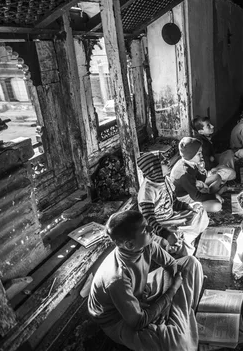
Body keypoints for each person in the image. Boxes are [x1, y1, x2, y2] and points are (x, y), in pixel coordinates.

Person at [87, 210, 203, 351]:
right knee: (177, 344)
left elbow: (171, 265)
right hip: (118, 320)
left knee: (191, 263)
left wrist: (164, 306)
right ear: (129, 244)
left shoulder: (146, 244)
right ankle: (179, 316)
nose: (151, 229)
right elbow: (138, 322)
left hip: (140, 293)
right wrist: (172, 291)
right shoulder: (117, 278)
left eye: (148, 225)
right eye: (145, 229)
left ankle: (173, 316)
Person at [137, 150, 209, 256]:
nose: (168, 162)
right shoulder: (148, 191)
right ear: (154, 168)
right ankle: (181, 243)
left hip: (171, 216)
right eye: (163, 162)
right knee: (176, 242)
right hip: (160, 224)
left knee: (200, 211)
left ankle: (186, 236)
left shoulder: (166, 180)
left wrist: (188, 206)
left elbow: (174, 202)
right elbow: (149, 220)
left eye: (166, 160)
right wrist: (166, 234)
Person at [170, 137, 224, 212]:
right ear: (191, 155)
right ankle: (210, 197)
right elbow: (196, 197)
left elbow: (202, 180)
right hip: (185, 198)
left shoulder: (191, 162)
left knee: (217, 177)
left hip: (194, 187)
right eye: (199, 154)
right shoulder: (184, 173)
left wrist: (201, 170)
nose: (202, 155)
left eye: (201, 152)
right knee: (217, 206)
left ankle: (210, 195)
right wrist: (214, 196)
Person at [192, 116, 236, 182]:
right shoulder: (201, 144)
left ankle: (224, 176)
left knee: (229, 153)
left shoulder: (205, 137)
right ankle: (217, 181)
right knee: (232, 173)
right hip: (207, 172)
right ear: (201, 132)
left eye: (210, 124)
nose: (212, 126)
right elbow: (207, 166)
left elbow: (211, 157)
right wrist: (219, 167)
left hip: (212, 163)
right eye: (208, 126)